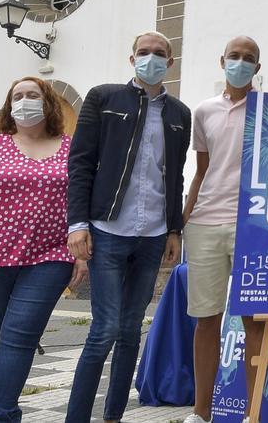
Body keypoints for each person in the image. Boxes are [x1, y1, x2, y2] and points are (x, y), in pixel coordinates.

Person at [64, 31, 192, 423]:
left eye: (158, 54)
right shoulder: (103, 98)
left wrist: (174, 230)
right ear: (131, 57)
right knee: (104, 329)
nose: (150, 58)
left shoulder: (180, 114)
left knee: (131, 329)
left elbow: (175, 176)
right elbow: (81, 163)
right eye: (143, 52)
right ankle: (76, 417)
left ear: (170, 62)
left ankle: (113, 416)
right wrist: (78, 224)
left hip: (153, 235)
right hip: (107, 230)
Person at [0, 76, 86, 423]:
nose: (25, 101)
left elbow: (83, 205)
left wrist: (81, 254)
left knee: (20, 335)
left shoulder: (73, 149)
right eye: (18, 96)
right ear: (9, 106)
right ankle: (5, 413)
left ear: (48, 102)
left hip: (50, 256)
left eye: (33, 95)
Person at [183, 36, 263, 423]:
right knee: (206, 318)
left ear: (257, 69)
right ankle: (201, 413)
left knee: (254, 320)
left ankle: (253, 414)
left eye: (249, 59)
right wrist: (182, 219)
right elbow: (202, 171)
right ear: (222, 61)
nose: (241, 63)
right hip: (204, 223)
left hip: (253, 223)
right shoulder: (204, 111)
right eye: (235, 57)